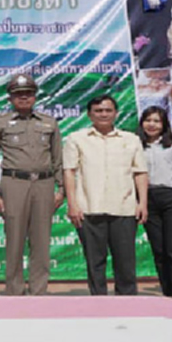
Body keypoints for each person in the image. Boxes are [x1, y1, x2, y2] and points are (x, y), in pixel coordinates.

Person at [0, 73, 64, 296]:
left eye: (28, 94)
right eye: (18, 94)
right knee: (14, 240)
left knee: (41, 241)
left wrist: (61, 190)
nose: (23, 98)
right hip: (13, 183)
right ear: (10, 98)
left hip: (44, 183)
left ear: (35, 97)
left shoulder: (49, 123)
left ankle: (39, 291)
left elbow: (58, 158)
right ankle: (14, 290)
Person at [63, 95, 148, 296]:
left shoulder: (131, 139)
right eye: (98, 111)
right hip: (89, 208)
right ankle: (98, 303)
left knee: (125, 262)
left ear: (116, 113)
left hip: (124, 208)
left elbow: (140, 172)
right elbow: (69, 172)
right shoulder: (76, 139)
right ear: (89, 114)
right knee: (95, 262)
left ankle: (127, 302)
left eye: (108, 110)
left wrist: (142, 202)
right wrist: (72, 204)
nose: (103, 114)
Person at [137, 105, 172, 298]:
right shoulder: (136, 145)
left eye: (156, 121)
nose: (151, 125)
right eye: (148, 120)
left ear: (164, 124)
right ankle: (168, 293)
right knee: (159, 250)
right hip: (148, 198)